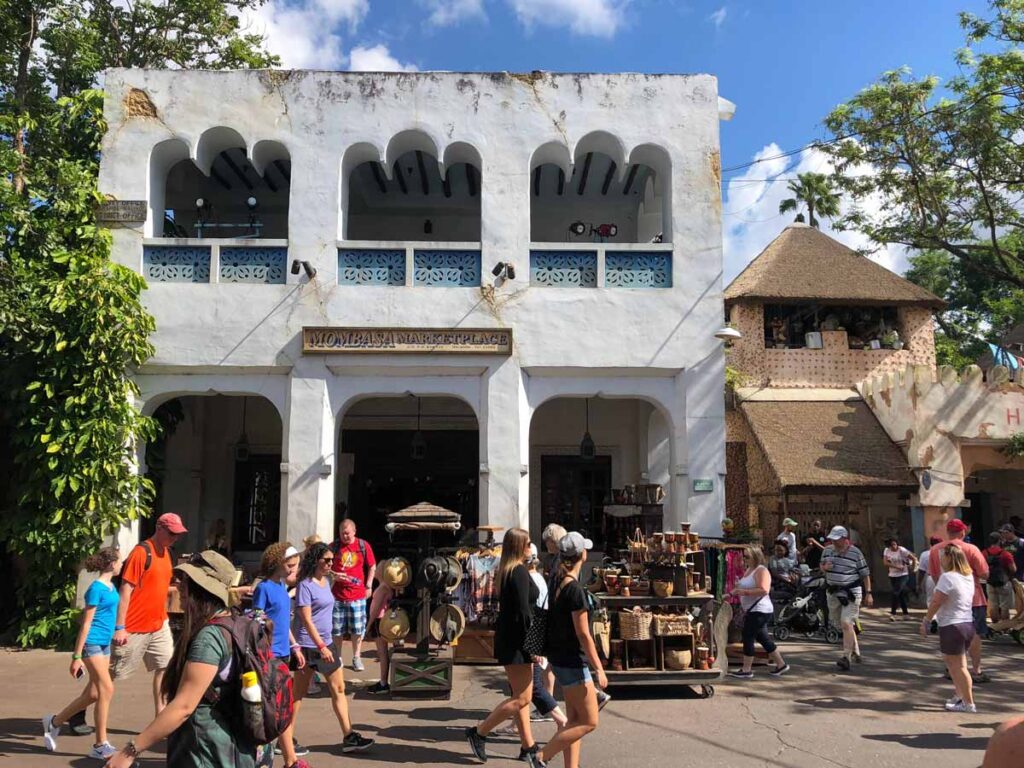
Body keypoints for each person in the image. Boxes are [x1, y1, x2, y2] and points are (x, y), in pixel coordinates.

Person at [106, 550, 257, 768]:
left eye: (186, 583)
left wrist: (130, 751)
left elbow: (184, 706)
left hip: (205, 751)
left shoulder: (208, 638)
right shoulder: (234, 623)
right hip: (228, 746)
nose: (179, 589)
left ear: (201, 589)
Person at [70, 512, 184, 734]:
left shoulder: (167, 553)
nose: (175, 538)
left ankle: (160, 721)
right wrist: (120, 627)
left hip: (158, 623)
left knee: (164, 668)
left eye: (178, 535)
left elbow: (159, 586)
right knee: (108, 676)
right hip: (133, 626)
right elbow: (126, 589)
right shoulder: (142, 553)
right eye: (172, 533)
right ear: (160, 528)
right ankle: (77, 712)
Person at [524, 532, 607, 768]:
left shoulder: (557, 580)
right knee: (589, 722)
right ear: (583, 554)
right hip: (572, 662)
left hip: (559, 659)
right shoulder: (575, 591)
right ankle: (540, 757)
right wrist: (599, 668)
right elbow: (583, 634)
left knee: (574, 720)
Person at [465, 528, 540, 763]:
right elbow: (523, 613)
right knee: (522, 699)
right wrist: (534, 646)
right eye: (528, 543)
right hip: (517, 642)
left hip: (513, 640)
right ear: (519, 546)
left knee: (521, 696)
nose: (531, 546)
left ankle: (528, 746)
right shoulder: (516, 571)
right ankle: (479, 732)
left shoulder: (509, 570)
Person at [294, 542, 374, 754]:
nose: (331, 563)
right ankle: (285, 738)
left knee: (339, 689)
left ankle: (349, 736)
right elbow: (306, 619)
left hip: (327, 644)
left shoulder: (326, 580)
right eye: (326, 560)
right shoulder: (305, 585)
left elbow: (340, 578)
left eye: (332, 560)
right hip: (308, 646)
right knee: (297, 695)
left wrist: (346, 578)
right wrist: (321, 646)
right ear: (315, 561)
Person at [42, 547, 122, 760]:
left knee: (95, 694)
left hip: (105, 644)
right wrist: (77, 657)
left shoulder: (111, 587)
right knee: (107, 689)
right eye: (119, 561)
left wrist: (117, 632)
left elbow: (111, 615)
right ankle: (100, 744)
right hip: (92, 644)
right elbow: (86, 624)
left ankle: (54, 722)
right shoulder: (96, 589)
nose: (121, 565)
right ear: (112, 564)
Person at [252, 543, 308, 768]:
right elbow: (256, 621)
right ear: (277, 563)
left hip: (284, 654)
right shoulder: (264, 587)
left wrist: (295, 646)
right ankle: (284, 759)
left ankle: (289, 759)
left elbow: (284, 622)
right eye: (291, 565)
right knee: (272, 708)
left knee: (282, 707)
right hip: (269, 656)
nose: (294, 569)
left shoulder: (282, 585)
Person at [927, 518, 991, 682]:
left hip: (946, 599)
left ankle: (952, 668)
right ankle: (976, 670)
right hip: (973, 598)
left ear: (948, 532)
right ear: (963, 532)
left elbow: (934, 575)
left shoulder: (935, 550)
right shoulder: (971, 549)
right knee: (974, 634)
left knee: (950, 632)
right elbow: (984, 573)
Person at [922, 545, 977, 713]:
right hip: (966, 624)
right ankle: (960, 696)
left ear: (949, 558)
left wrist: (926, 620)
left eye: (943, 556)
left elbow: (937, 601)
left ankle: (968, 703)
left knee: (958, 666)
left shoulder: (948, 577)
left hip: (952, 626)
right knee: (953, 663)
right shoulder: (967, 576)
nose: (940, 560)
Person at [728, 545, 789, 679]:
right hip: (753, 609)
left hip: (760, 609)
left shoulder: (761, 570)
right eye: (744, 557)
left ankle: (746, 669)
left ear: (755, 556)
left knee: (748, 636)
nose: (744, 559)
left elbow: (764, 590)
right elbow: (742, 587)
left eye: (747, 557)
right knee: (763, 638)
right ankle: (781, 664)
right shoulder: (749, 569)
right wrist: (731, 593)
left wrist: (743, 592)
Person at [821, 525, 873, 671]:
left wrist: (868, 593)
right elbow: (821, 566)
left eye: (837, 539)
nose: (834, 542)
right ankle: (855, 649)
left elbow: (865, 574)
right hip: (833, 592)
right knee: (841, 624)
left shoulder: (856, 553)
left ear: (845, 539)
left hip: (851, 592)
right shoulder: (827, 550)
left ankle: (846, 657)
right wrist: (825, 568)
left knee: (846, 622)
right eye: (833, 539)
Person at [328, 519, 377, 672]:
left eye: (348, 533)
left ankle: (356, 657)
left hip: (357, 595)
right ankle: (338, 657)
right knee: (337, 630)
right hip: (337, 596)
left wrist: (368, 584)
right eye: (342, 533)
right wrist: (333, 576)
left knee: (357, 629)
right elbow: (324, 567)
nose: (345, 536)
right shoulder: (333, 547)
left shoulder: (363, 546)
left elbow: (372, 565)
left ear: (354, 532)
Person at [365, 581, 395, 695]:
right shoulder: (385, 585)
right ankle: (383, 682)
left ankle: (383, 683)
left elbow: (376, 609)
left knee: (382, 652)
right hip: (380, 620)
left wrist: (368, 625)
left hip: (378, 620)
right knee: (383, 652)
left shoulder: (384, 587)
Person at [983, 532, 1016, 623]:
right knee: (1005, 607)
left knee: (993, 606)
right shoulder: (1005, 554)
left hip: (990, 582)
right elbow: (1013, 569)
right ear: (999, 541)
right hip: (1003, 582)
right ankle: (1004, 628)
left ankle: (995, 627)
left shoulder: (984, 553)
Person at [883, 537, 917, 621]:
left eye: (895, 544)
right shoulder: (887, 551)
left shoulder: (902, 550)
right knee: (900, 594)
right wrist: (896, 566)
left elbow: (913, 558)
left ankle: (893, 613)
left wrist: (912, 569)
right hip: (893, 575)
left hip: (903, 575)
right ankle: (905, 613)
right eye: (892, 545)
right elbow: (885, 562)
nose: (894, 547)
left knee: (895, 593)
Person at [917, 536, 943, 631]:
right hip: (943, 578)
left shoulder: (925, 554)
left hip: (930, 577)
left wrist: (918, 583)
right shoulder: (944, 553)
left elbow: (921, 571)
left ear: (930, 543)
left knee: (931, 600)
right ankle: (941, 620)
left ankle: (934, 618)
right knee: (942, 599)